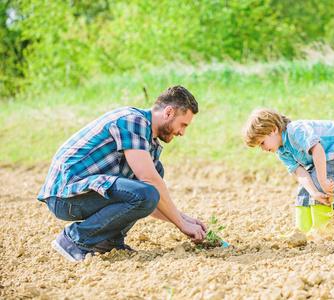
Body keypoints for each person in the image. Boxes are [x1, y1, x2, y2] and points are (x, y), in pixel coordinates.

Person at [37, 86, 207, 261]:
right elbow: (148, 185)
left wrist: (184, 219)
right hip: (64, 196)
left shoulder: (149, 144)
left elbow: (152, 203)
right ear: (169, 112)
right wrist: (181, 224)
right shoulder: (133, 120)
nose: (182, 132)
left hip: (84, 195)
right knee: (148, 189)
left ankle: (107, 242)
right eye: (183, 124)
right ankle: (74, 239)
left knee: (152, 181)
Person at [243, 108, 334, 234]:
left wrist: (322, 180)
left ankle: (325, 232)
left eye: (262, 143)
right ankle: (303, 232)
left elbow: (317, 149)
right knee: (304, 190)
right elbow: (299, 172)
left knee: (320, 184)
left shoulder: (296, 130)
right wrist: (313, 192)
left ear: (273, 129)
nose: (263, 149)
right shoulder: (281, 151)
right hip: (323, 156)